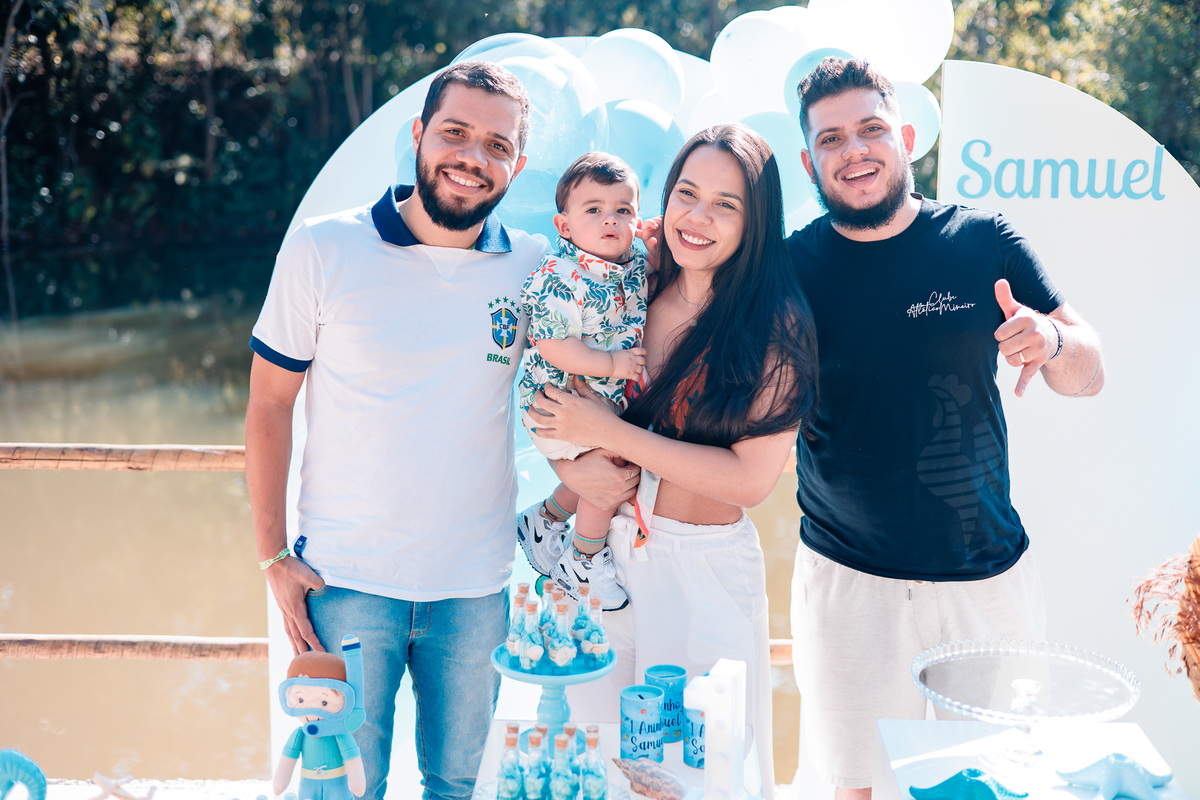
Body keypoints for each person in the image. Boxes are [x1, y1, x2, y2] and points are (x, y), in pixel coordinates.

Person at [245, 62, 573, 800]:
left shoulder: (534, 267)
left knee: (457, 787)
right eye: (455, 132)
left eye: (497, 145)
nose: (472, 157)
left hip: (475, 589)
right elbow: (268, 404)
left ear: (517, 166)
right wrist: (271, 554)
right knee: (342, 789)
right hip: (345, 582)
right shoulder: (323, 248)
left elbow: (616, 296)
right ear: (420, 135)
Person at [785, 58, 1105, 799]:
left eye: (870, 128)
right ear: (809, 162)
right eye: (831, 139)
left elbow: (1088, 372)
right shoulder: (791, 265)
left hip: (986, 580)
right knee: (855, 789)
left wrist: (1051, 340)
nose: (854, 150)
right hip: (848, 583)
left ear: (904, 138)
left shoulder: (981, 240)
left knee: (993, 787)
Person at [531, 124, 820, 800]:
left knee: (699, 777)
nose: (698, 217)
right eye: (687, 194)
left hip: (704, 571)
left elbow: (750, 480)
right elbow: (564, 404)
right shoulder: (637, 281)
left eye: (726, 204)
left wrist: (612, 434)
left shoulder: (776, 324)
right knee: (602, 763)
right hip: (607, 559)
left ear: (756, 220)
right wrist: (575, 471)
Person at [516, 152, 649, 612]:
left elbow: (649, 267)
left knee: (613, 453)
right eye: (593, 209)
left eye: (623, 210)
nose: (610, 219)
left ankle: (544, 520)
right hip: (555, 404)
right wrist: (612, 364)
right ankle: (583, 560)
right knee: (611, 466)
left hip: (594, 401)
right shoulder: (560, 276)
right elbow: (554, 344)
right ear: (564, 225)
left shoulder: (631, 265)